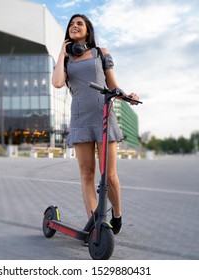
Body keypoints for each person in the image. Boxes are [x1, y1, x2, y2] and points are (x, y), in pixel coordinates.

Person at [52, 14, 139, 236]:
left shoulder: (101, 53)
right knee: (87, 174)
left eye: (79, 23)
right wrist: (62, 53)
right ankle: (96, 227)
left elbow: (113, 86)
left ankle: (117, 214)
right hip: (80, 119)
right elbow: (57, 83)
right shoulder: (66, 60)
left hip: (103, 116)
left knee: (109, 175)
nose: (74, 26)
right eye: (71, 24)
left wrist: (127, 95)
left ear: (88, 30)